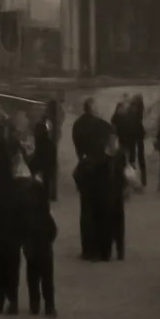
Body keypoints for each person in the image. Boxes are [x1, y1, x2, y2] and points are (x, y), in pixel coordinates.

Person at [18, 159, 58, 317]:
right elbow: (52, 228)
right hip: (44, 243)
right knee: (47, 276)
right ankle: (49, 306)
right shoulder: (44, 214)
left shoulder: (25, 206)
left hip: (30, 242)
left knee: (32, 274)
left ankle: (34, 304)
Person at [72, 99, 110, 260]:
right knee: (102, 209)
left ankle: (88, 249)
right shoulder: (103, 125)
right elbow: (113, 148)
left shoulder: (77, 124)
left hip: (85, 168)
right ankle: (103, 249)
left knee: (86, 210)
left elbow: (77, 148)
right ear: (93, 108)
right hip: (102, 170)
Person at [0, 152, 23, 314]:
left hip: (1, 231)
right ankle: (12, 300)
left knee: (1, 267)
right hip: (13, 232)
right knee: (12, 267)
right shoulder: (18, 186)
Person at [98, 129, 127, 261]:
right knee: (106, 224)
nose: (113, 142)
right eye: (111, 140)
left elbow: (125, 172)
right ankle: (106, 251)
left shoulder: (120, 155)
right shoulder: (102, 157)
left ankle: (120, 250)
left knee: (119, 224)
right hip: (105, 194)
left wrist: (126, 187)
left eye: (115, 140)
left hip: (117, 193)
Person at [30, 101, 59, 203]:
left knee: (39, 173)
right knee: (47, 175)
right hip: (46, 152)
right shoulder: (47, 125)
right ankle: (45, 195)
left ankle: (42, 194)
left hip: (42, 152)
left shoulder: (42, 125)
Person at [126, 94, 148, 188]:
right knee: (140, 157)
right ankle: (143, 180)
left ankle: (134, 178)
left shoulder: (131, 109)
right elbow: (139, 121)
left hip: (132, 135)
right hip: (138, 134)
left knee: (132, 157)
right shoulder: (139, 109)